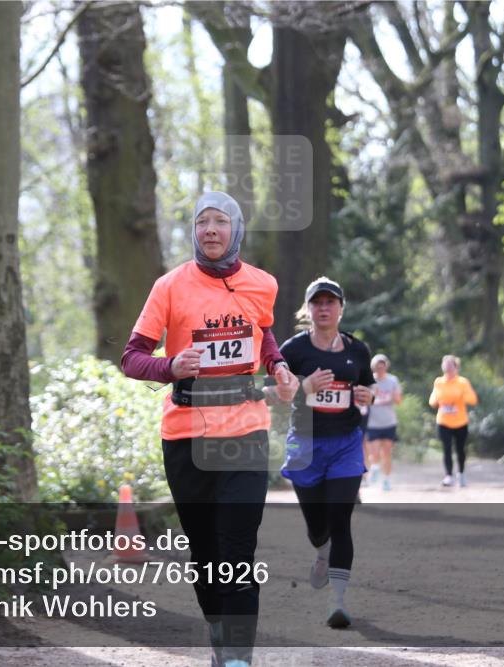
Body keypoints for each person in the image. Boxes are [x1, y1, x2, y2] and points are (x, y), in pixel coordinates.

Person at [121, 191, 298, 667]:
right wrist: (171, 365)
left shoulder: (262, 283)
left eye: (221, 221)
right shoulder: (169, 286)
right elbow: (131, 357)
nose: (211, 230)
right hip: (186, 437)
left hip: (245, 433)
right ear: (194, 231)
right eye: (203, 222)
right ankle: (220, 637)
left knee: (237, 552)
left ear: (236, 228)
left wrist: (278, 366)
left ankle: (238, 657)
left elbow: (263, 333)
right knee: (205, 556)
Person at [278, 277, 375, 629]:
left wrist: (369, 395)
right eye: (317, 303)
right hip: (305, 444)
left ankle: (338, 600)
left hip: (346, 443)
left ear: (340, 309)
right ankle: (321, 551)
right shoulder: (293, 350)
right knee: (318, 526)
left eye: (329, 302)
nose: (323, 308)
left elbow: (368, 386)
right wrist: (303, 386)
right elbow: (273, 391)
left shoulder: (357, 350)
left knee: (340, 518)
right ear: (307, 310)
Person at [428, 354, 478, 487]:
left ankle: (461, 474)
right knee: (447, 448)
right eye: (446, 365)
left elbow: (472, 399)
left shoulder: (462, 382)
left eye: (451, 365)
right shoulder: (438, 382)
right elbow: (433, 399)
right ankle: (448, 476)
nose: (448, 368)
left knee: (460, 449)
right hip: (443, 421)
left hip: (460, 422)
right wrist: (436, 401)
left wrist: (460, 398)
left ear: (456, 367)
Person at [365, 354, 402, 490]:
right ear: (373, 367)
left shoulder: (392, 380)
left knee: (386, 453)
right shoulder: (369, 381)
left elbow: (398, 400)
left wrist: (392, 397)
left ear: (386, 367)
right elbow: (364, 399)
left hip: (389, 422)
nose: (380, 369)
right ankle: (375, 467)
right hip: (372, 423)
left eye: (382, 366)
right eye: (377, 367)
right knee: (373, 453)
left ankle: (386, 479)